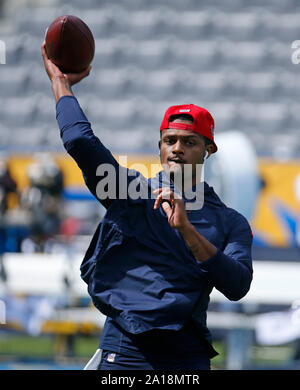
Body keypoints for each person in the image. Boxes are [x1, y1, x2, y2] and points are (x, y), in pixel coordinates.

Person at [41, 42, 253, 370]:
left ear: (208, 149)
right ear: (159, 148)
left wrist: (187, 232)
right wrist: (60, 83)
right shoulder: (130, 193)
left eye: (189, 142)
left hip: (186, 356)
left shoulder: (230, 221)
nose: (177, 149)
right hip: (124, 350)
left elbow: (238, 285)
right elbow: (80, 142)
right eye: (170, 141)